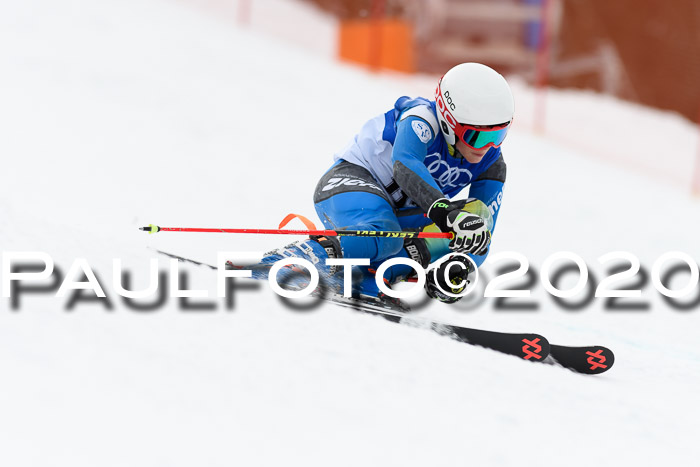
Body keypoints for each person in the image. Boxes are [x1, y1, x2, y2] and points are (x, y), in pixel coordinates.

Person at [262, 62, 513, 304]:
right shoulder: (421, 119)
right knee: (386, 234)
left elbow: (483, 232)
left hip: (398, 213)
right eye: (478, 137)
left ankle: (373, 276)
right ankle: (300, 256)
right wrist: (445, 213)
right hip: (347, 184)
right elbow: (405, 165)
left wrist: (460, 267)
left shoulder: (492, 163)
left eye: (499, 135)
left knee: (474, 218)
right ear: (449, 122)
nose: (489, 147)